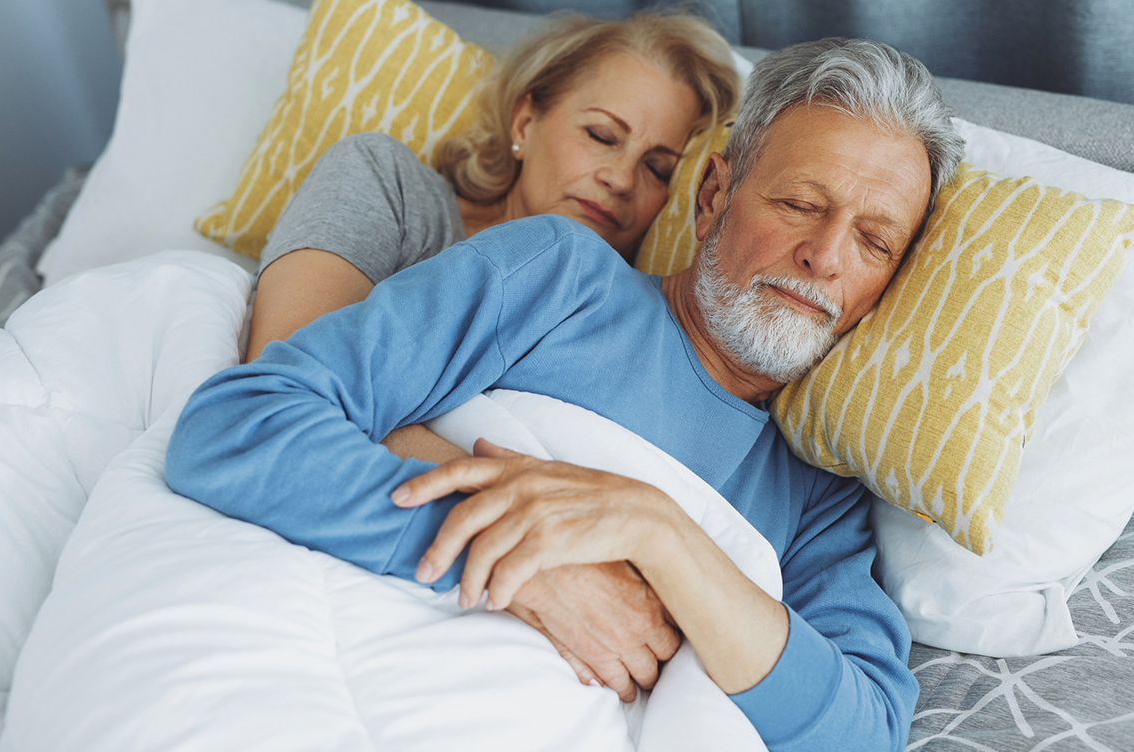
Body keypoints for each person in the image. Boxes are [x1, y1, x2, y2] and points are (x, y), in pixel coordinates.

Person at [166, 37, 965, 751]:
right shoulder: (557, 275)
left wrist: (659, 532)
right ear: (713, 193)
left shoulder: (818, 498)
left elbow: (864, 729)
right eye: (799, 203)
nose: (824, 256)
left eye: (874, 241)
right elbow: (239, 424)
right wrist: (534, 565)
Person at [246, 10, 740, 362]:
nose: (620, 178)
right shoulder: (387, 185)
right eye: (601, 135)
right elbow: (287, 373)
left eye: (657, 169)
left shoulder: (631, 323)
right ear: (525, 122)